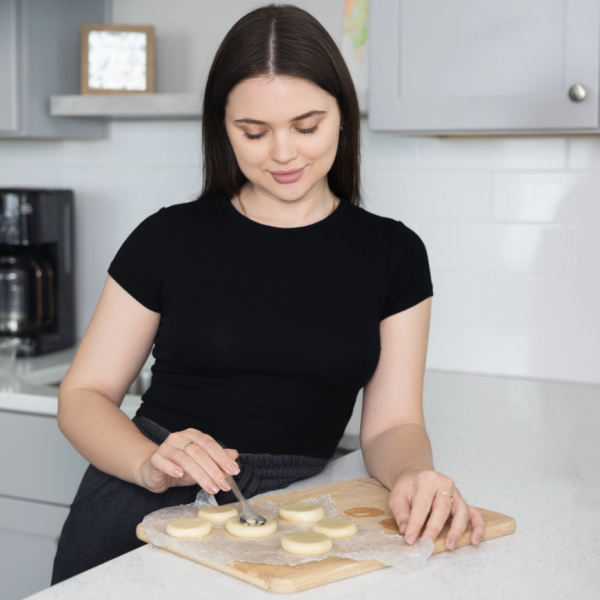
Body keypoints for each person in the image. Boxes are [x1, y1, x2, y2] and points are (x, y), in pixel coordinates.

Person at [51, 2, 484, 585]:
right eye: (253, 132)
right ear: (222, 128)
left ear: (342, 117)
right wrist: (148, 463)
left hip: (296, 511)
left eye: (307, 127)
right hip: (144, 500)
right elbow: (83, 395)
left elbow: (392, 425)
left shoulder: (393, 254)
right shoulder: (167, 237)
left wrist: (411, 475)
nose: (283, 154)